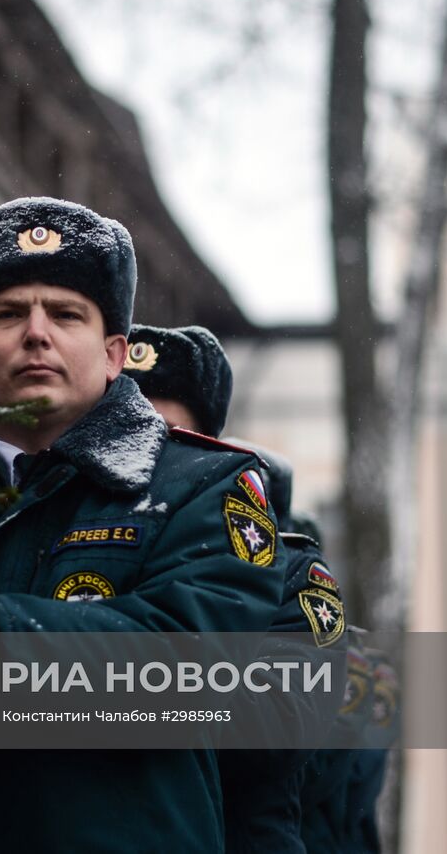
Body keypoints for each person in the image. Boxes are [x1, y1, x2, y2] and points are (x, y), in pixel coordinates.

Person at [0, 197, 287, 853]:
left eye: (66, 314)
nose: (36, 333)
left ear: (113, 354)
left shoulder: (202, 487)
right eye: (9, 314)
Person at [121, 324, 347, 853]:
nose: (147, 460)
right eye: (127, 434)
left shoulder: (290, 568)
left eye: (171, 437)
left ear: (210, 451)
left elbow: (279, 724)